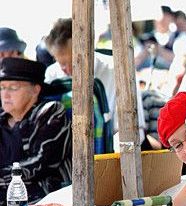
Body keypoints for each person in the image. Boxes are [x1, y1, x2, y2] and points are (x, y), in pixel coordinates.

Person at [44, 18, 147, 151]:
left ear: (88, 50)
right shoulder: (52, 75)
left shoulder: (120, 71)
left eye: (75, 63)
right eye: (62, 64)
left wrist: (107, 158)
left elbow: (133, 130)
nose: (68, 70)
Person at [0, 58, 72, 206]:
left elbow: (43, 163)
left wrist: (4, 177)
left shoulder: (51, 112)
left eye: (13, 88)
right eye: (2, 87)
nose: (5, 94)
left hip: (44, 200)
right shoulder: (2, 119)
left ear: (35, 90)